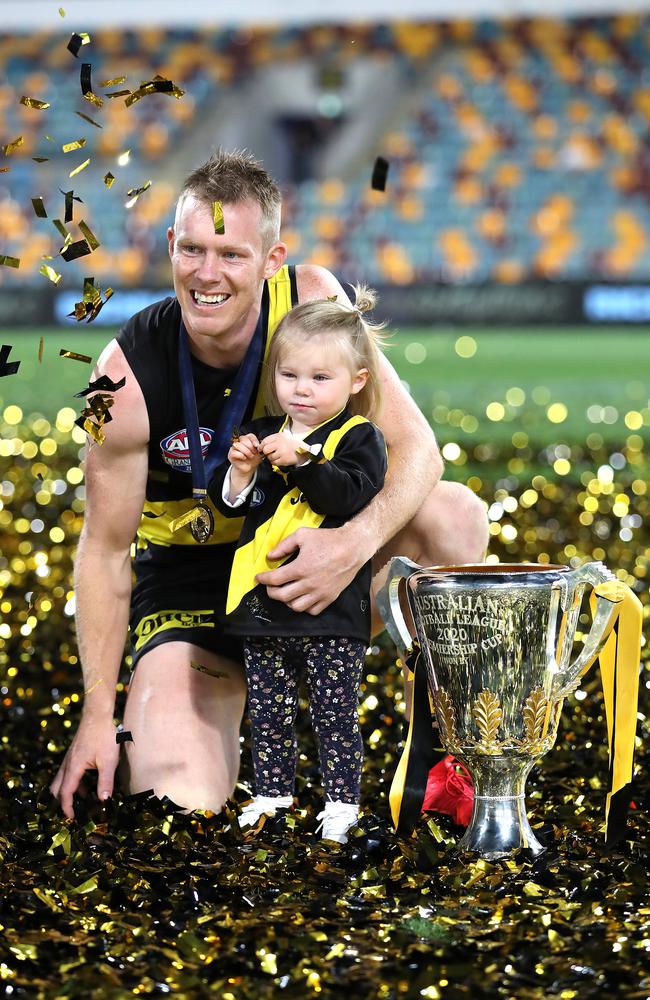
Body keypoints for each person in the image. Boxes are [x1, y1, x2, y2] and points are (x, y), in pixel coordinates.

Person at [50, 149, 488, 819]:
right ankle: (222, 701)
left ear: (273, 258)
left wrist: (352, 543)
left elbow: (418, 450)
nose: (206, 274)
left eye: (231, 254)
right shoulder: (122, 379)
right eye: (192, 249)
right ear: (170, 245)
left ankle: (436, 764)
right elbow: (105, 553)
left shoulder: (311, 301)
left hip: (308, 561)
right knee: (179, 799)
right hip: (196, 588)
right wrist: (96, 717)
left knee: (453, 518)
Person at [209, 288, 387, 843]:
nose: (302, 391)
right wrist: (238, 475)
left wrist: (305, 460)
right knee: (267, 711)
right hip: (262, 605)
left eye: (320, 378)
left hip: (328, 609)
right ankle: (272, 793)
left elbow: (350, 497)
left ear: (356, 380)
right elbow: (231, 507)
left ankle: (341, 803)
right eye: (290, 376)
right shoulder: (264, 431)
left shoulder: (359, 437)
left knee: (334, 713)